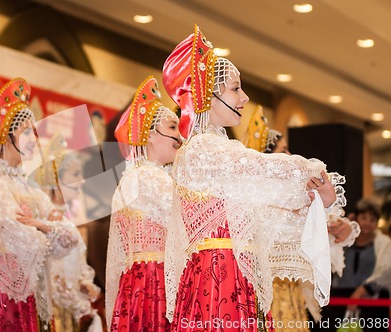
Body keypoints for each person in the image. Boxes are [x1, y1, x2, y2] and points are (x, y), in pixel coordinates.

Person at [162, 25, 346, 331]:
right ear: (207, 95)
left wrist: (313, 199)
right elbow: (258, 166)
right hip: (218, 272)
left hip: (230, 269)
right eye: (235, 88)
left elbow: (264, 212)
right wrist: (309, 170)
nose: (244, 97)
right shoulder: (202, 148)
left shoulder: (215, 147)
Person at [0, 78, 78, 331]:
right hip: (5, 296)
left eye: (35, 132)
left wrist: (41, 225)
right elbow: (22, 235)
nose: (35, 140)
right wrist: (47, 228)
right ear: (6, 134)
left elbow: (70, 235)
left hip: (34, 291)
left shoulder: (33, 191)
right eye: (27, 132)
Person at [244, 106, 360, 331]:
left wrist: (333, 227)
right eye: (283, 150)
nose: (289, 156)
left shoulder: (296, 196)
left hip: (291, 288)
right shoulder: (257, 200)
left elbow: (322, 233)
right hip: (265, 289)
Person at [106, 76, 182, 331]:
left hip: (142, 281)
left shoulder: (139, 176)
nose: (180, 137)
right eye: (173, 128)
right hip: (154, 280)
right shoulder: (148, 176)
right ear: (150, 135)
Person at [35, 132, 102, 332]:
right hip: (50, 310)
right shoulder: (44, 218)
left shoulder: (73, 220)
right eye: (75, 175)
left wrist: (84, 283)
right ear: (56, 179)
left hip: (69, 313)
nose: (81, 181)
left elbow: (78, 266)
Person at [327, 199, 391, 332]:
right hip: (339, 301)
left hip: (372, 302)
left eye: (372, 220)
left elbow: (386, 271)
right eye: (364, 218)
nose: (367, 223)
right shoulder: (342, 239)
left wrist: (361, 292)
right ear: (356, 218)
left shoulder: (384, 243)